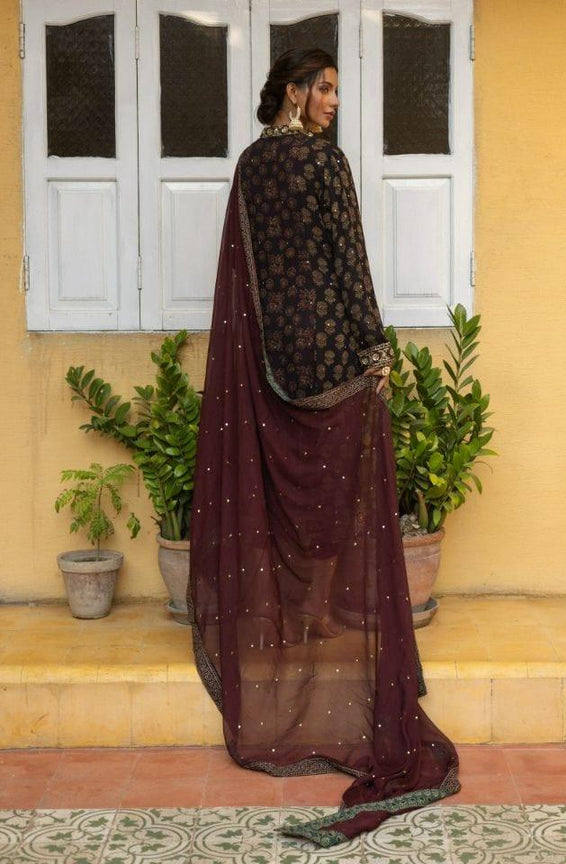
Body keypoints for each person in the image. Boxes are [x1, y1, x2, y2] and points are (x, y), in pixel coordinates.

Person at [187, 48, 460, 848]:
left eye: (335, 89)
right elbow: (348, 261)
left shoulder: (250, 167)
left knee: (282, 495)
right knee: (349, 489)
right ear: (296, 92)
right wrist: (375, 350)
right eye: (326, 88)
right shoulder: (324, 164)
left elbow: (245, 278)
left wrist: (266, 358)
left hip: (274, 360)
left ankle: (294, 625)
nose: (334, 101)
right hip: (333, 354)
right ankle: (341, 621)